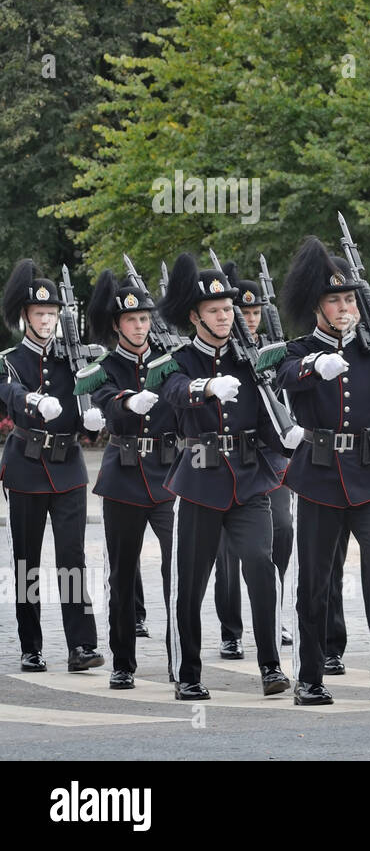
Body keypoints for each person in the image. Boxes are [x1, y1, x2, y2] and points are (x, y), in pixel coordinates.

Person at [276, 236, 370, 705]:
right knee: (316, 581)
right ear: (317, 306)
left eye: (349, 299)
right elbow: (282, 378)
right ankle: (310, 676)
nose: (344, 308)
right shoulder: (298, 351)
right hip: (320, 476)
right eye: (334, 300)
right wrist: (312, 366)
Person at [154, 255, 290, 700]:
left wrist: (290, 437)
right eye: (214, 310)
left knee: (260, 566)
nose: (225, 316)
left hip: (250, 479)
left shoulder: (249, 357)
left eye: (228, 309)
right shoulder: (178, 359)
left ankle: (271, 664)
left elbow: (268, 412)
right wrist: (204, 388)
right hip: (200, 480)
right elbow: (171, 391)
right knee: (190, 582)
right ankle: (187, 672)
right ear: (195, 316)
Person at [1, 259, 103, 673]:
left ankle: (81, 645)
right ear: (25, 316)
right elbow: (7, 389)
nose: (46, 320)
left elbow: (90, 394)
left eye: (52, 313)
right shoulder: (10, 359)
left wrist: (93, 417)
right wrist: (31, 401)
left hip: (68, 467)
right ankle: (31, 646)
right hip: (26, 465)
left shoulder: (71, 358)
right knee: (26, 560)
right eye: (39, 313)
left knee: (72, 558)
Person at [85, 270, 177, 689]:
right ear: (118, 325)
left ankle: (182, 661)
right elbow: (104, 400)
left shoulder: (169, 361)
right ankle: (123, 661)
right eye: (132, 320)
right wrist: (127, 402)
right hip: (123, 476)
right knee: (122, 575)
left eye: (144, 319)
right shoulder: (103, 367)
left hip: (170, 474)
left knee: (179, 574)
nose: (140, 326)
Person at [211, 262, 295, 658]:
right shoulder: (225, 353)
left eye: (255, 312)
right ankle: (231, 627)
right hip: (233, 459)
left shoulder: (276, 350)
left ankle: (271, 613)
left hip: (273, 456)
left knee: (281, 529)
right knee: (229, 551)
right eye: (242, 312)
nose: (249, 318)